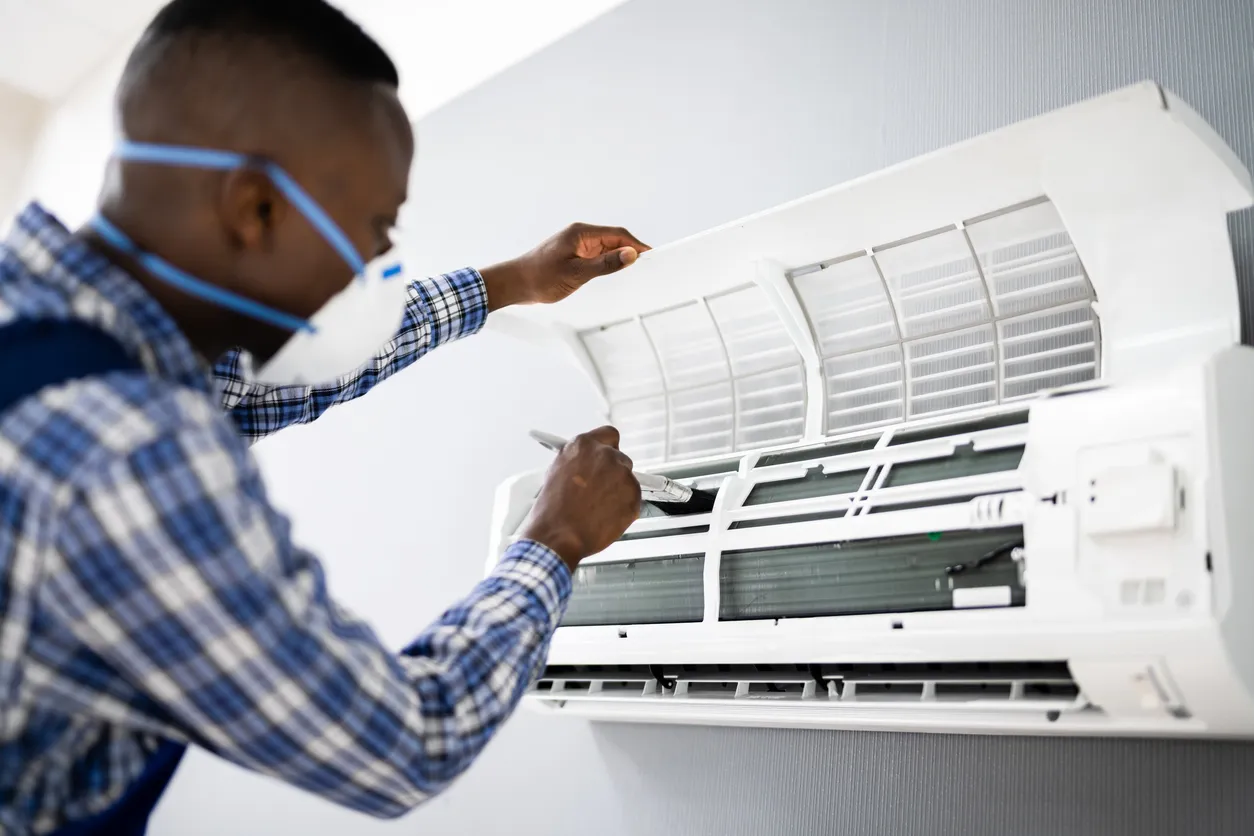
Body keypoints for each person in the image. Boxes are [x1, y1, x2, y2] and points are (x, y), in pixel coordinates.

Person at [0, 0, 648, 833]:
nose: (378, 262)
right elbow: (408, 741)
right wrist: (554, 537)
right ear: (256, 209)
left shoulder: (51, 337)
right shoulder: (128, 444)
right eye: (375, 229)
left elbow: (284, 381)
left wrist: (505, 284)